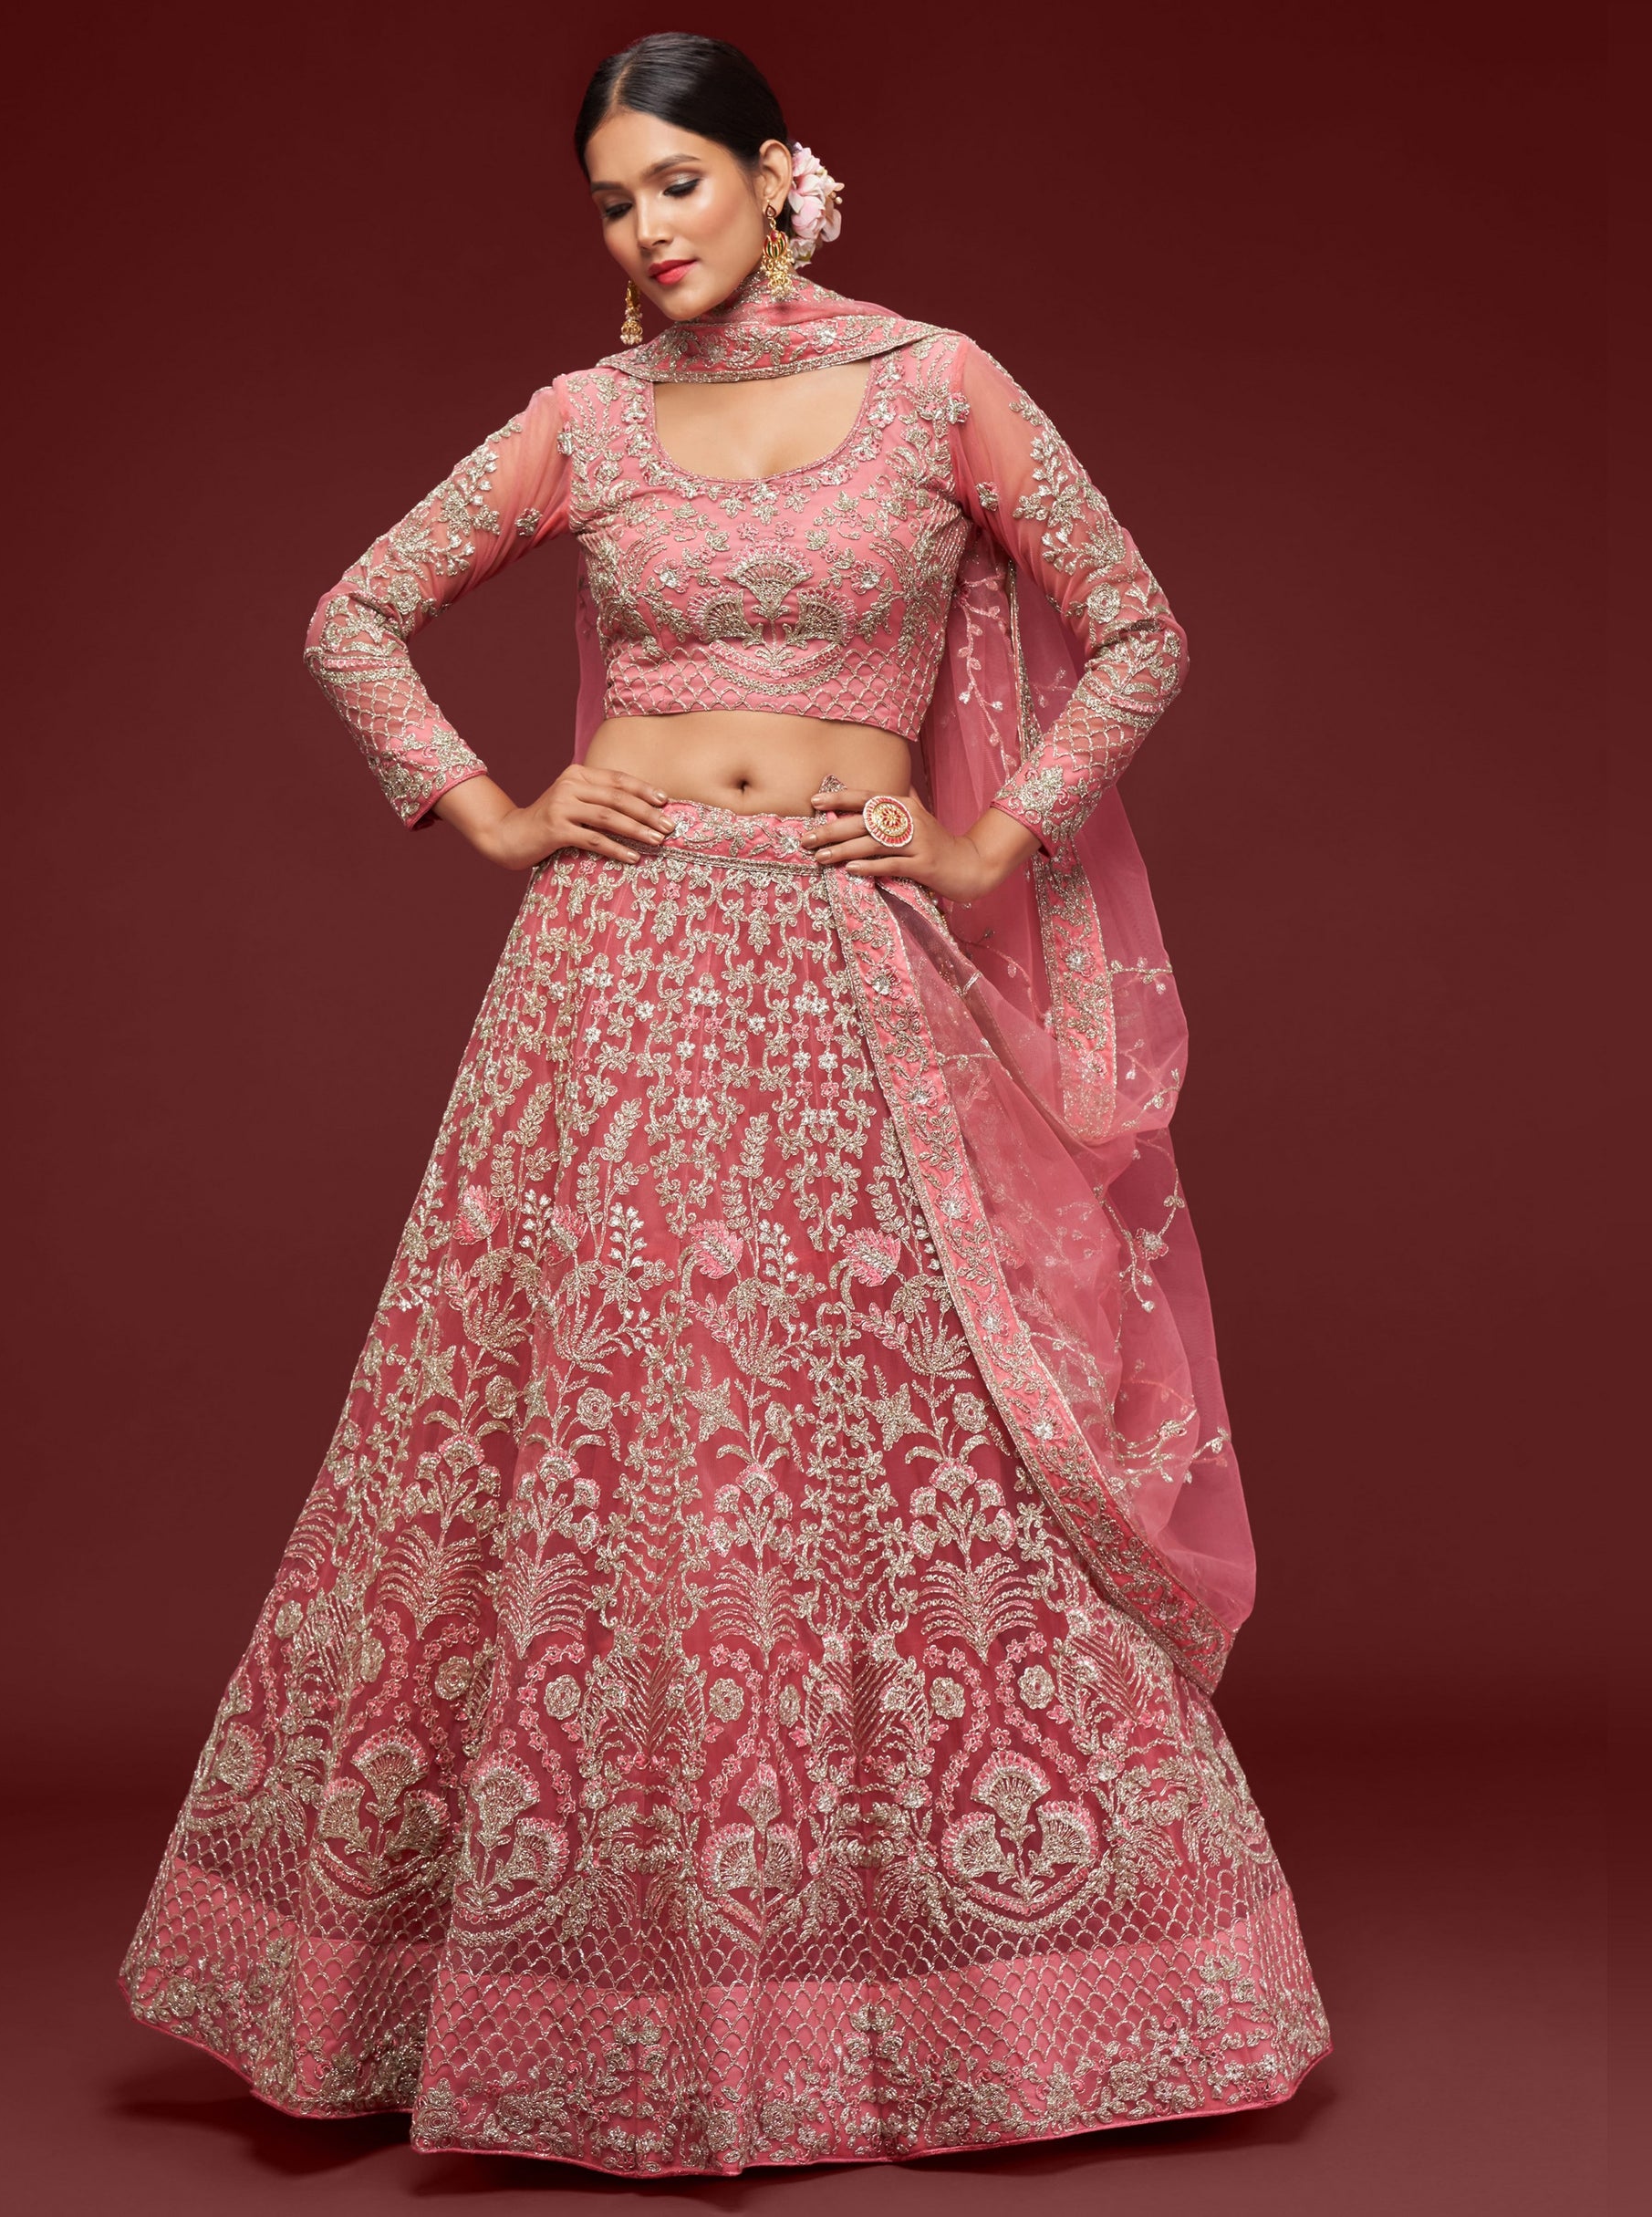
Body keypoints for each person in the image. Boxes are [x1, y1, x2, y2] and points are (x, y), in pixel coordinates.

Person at [120, 31, 1331, 2176]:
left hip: (858, 977)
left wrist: (987, 841)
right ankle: (563, 1998)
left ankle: (935, 1996)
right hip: (615, 978)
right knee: (606, 1449)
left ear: (784, 176)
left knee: (881, 1456)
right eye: (610, 200)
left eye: (676, 181)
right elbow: (357, 612)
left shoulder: (939, 384)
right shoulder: (583, 425)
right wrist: (483, 807)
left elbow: (1131, 627)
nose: (645, 229)